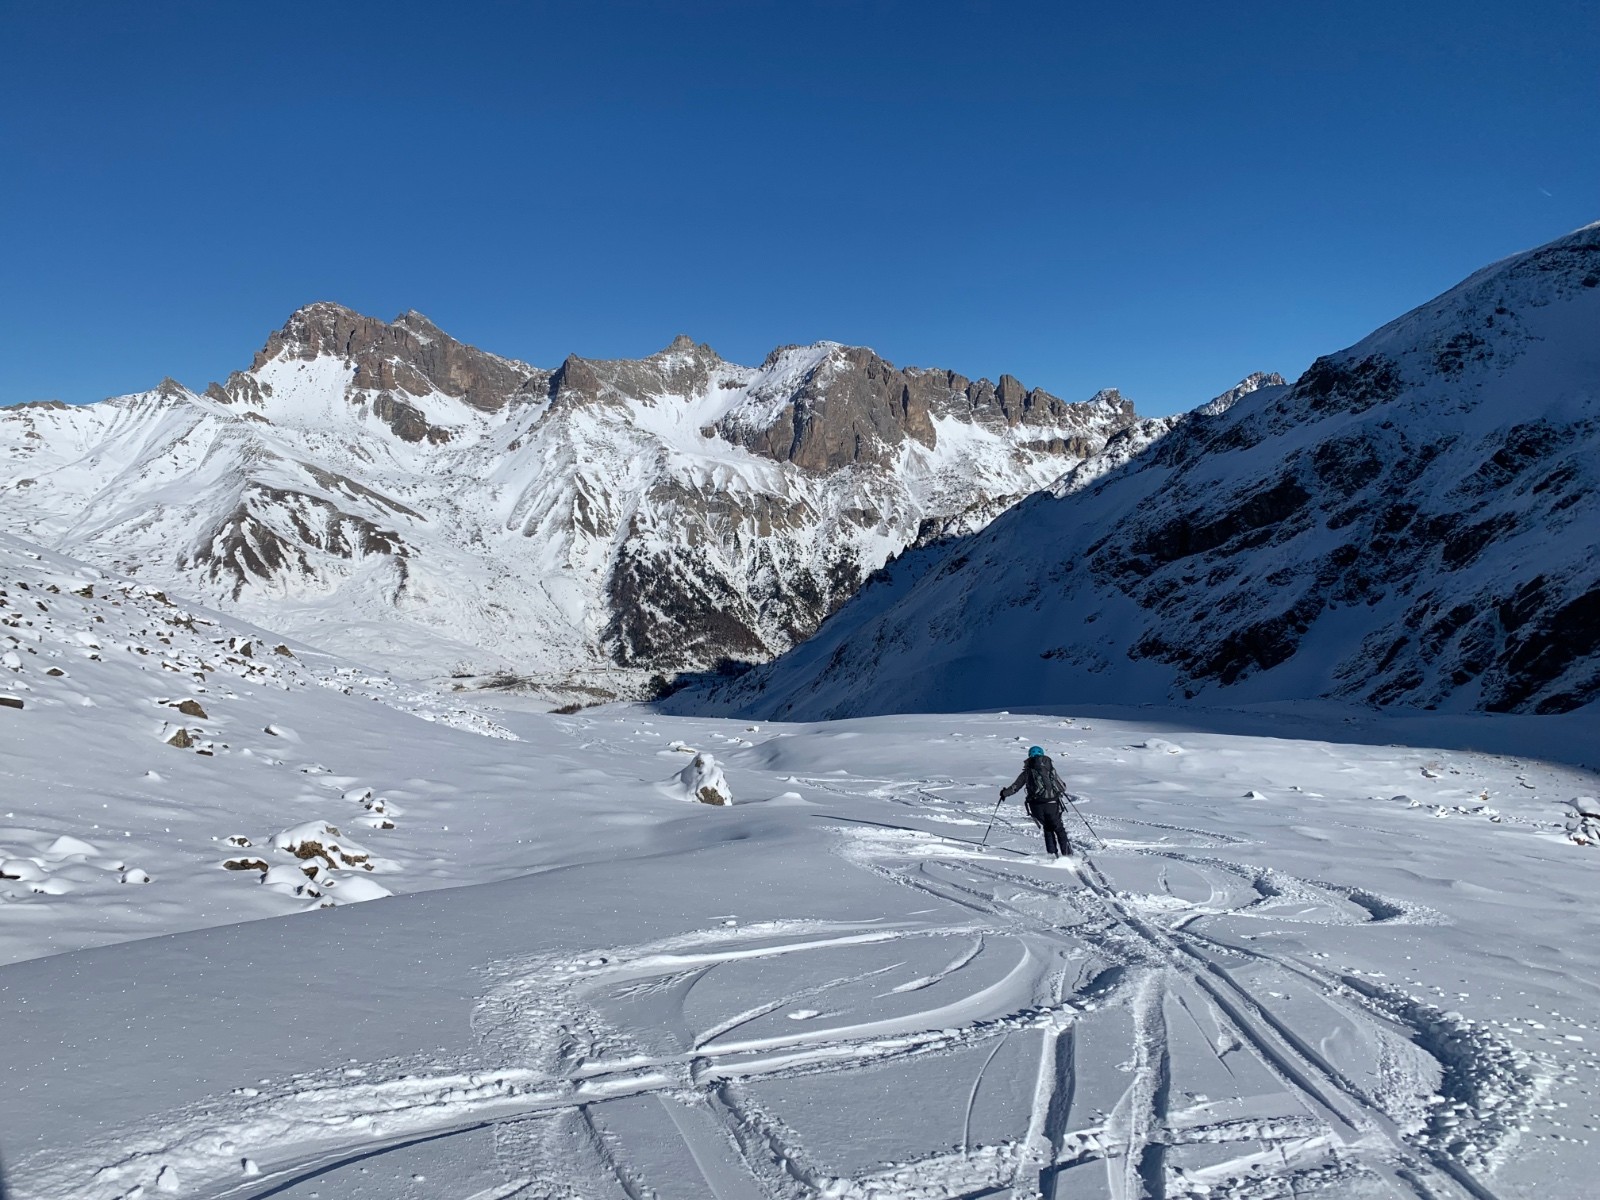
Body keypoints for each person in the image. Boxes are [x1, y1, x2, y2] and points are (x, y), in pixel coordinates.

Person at [1000, 745, 1072, 859]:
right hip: (1052, 803)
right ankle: (1068, 855)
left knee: (1047, 827)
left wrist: (1004, 793)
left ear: (1029, 756)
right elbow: (1062, 787)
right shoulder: (1050, 769)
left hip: (1036, 804)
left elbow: (1015, 787)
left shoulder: (1027, 772)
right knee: (1058, 828)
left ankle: (1052, 855)